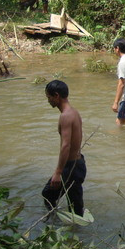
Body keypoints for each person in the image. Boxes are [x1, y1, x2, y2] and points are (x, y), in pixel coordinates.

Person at [42, 80, 87, 217]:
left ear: (56, 96)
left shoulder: (66, 116)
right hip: (78, 164)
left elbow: (66, 145)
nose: (48, 101)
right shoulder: (74, 112)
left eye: (49, 97)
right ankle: (76, 231)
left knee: (48, 195)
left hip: (71, 167)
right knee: (75, 205)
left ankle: (54, 225)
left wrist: (58, 172)